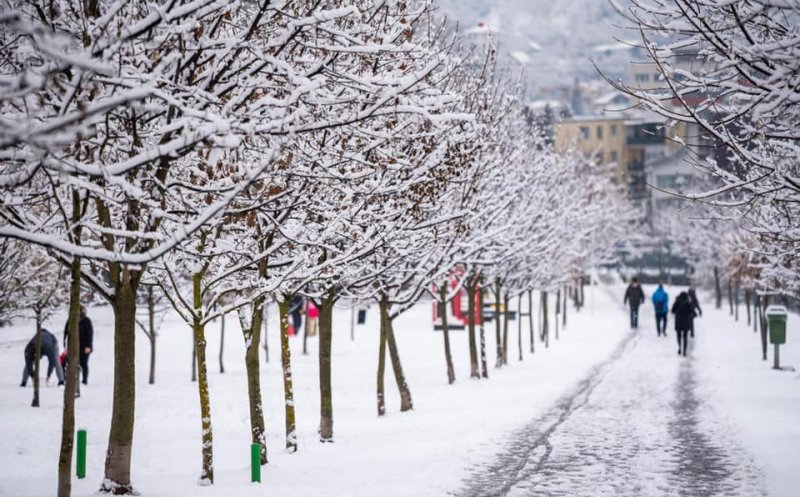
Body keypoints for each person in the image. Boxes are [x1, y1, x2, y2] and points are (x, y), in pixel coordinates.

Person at [64, 306, 93, 385]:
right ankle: (69, 380)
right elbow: (66, 333)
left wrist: (88, 346)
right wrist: (65, 345)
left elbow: (89, 334)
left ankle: (84, 380)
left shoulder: (87, 321)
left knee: (84, 363)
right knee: (70, 363)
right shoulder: (70, 320)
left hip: (84, 346)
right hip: (72, 346)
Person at [671, 291, 694, 356]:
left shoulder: (677, 302)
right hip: (686, 321)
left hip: (678, 321)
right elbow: (692, 311)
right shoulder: (688, 303)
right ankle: (684, 351)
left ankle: (679, 347)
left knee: (678, 335)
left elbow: (672, 311)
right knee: (685, 336)